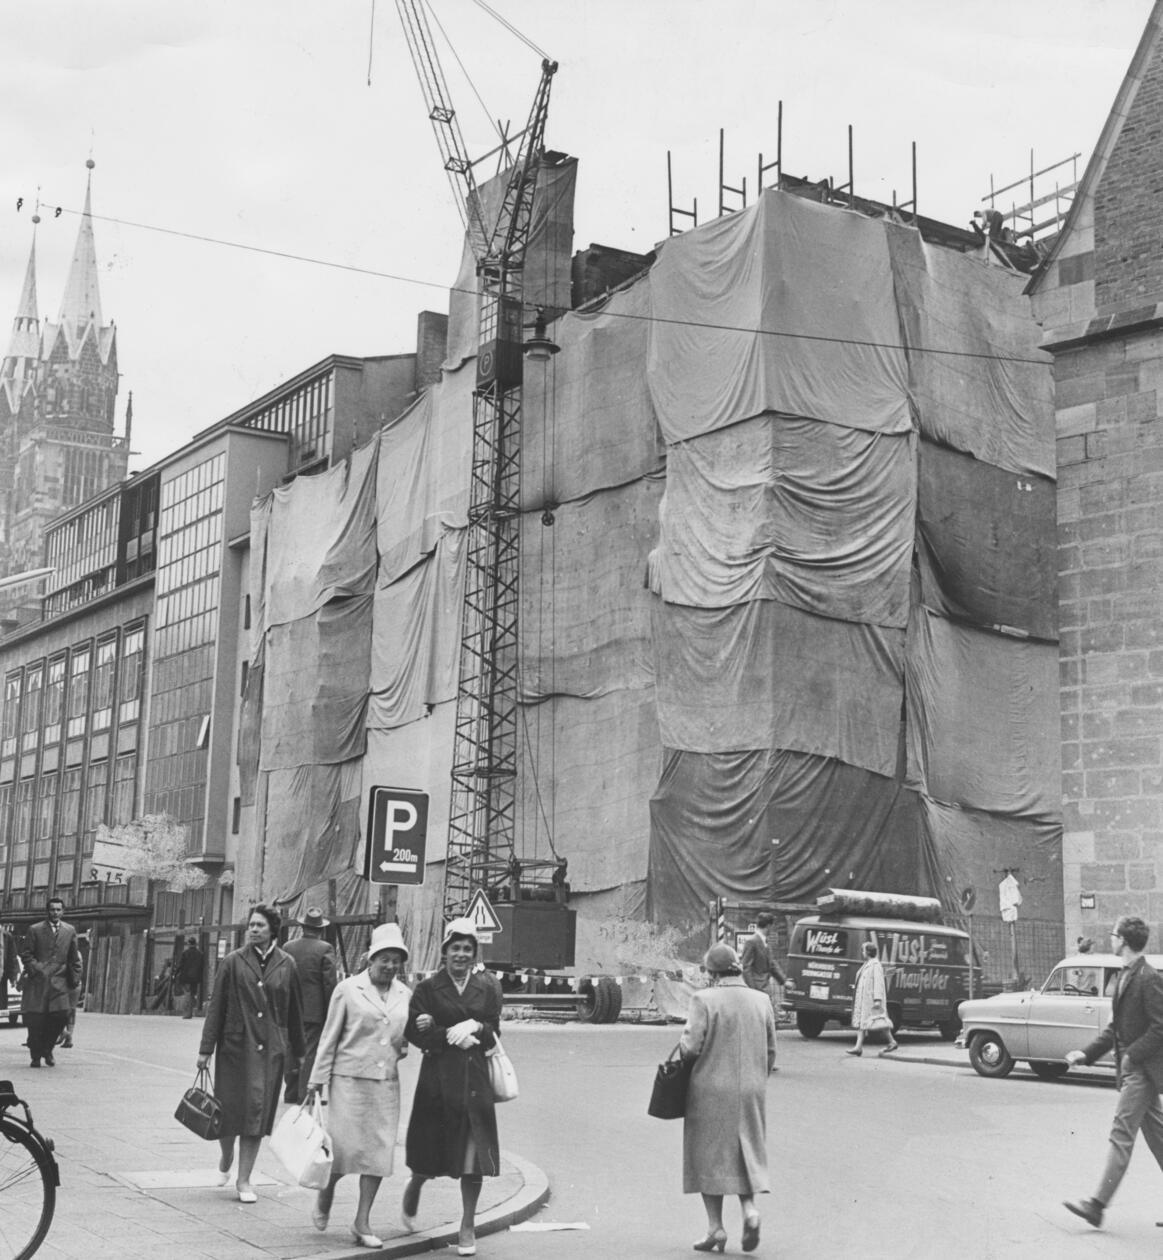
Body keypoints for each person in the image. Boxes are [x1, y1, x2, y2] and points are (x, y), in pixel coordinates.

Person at [304, 922, 411, 1249]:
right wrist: (316, 1080)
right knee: (342, 1150)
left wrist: (402, 1042)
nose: (390, 966)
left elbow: (402, 1038)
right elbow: (329, 1037)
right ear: (370, 958)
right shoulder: (348, 989)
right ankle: (326, 1194)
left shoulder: (405, 994)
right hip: (348, 1082)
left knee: (379, 1155)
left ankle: (362, 1221)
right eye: (384, 959)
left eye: (396, 960)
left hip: (385, 1083)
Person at [402, 917, 503, 1258]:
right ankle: (416, 1184)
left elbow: (493, 1030)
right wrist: (447, 1034)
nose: (461, 954)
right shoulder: (428, 989)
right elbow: (414, 1032)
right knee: (429, 1153)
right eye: (455, 948)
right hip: (438, 1080)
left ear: (475, 953)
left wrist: (476, 1025)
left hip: (474, 1080)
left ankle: (468, 1224)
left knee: (473, 1158)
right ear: (444, 952)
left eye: (467, 949)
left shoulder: (488, 986)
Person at [197, 904, 305, 1204]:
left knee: (257, 1115)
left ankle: (244, 1180)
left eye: (259, 925)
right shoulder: (233, 962)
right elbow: (216, 1006)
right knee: (227, 1113)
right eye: (251, 925)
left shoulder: (287, 964)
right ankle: (226, 1154)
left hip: (270, 1050)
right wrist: (206, 1049)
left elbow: (294, 1011)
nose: (254, 930)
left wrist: (300, 1054)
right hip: (235, 1048)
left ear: (273, 929)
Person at [1063, 915, 1163, 1229]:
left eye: (1113, 934)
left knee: (1121, 1135)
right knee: (1160, 1139)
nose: (1110, 938)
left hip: (1141, 1072)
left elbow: (1161, 1026)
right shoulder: (1125, 975)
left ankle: (1097, 1205)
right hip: (1136, 1070)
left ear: (1124, 940)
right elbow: (1114, 1030)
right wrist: (1086, 1053)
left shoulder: (1148, 977)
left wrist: (1132, 1056)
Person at [680, 942, 776, 1254]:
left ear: (711, 972)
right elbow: (771, 1050)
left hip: (710, 1088)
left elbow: (691, 1047)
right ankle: (749, 1210)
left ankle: (715, 1228)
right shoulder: (761, 1000)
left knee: (708, 1156)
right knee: (745, 1150)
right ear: (736, 966)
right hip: (751, 1088)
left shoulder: (703, 999)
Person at [19, 897, 82, 1069]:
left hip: (60, 983)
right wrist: (37, 969)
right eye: (52, 909)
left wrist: (74, 979)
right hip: (38, 982)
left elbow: (74, 958)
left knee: (61, 1016)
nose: (55, 913)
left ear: (63, 911)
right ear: (47, 911)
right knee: (35, 1020)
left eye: (58, 909)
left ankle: (47, 1050)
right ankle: (35, 1056)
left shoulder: (70, 931)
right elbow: (26, 954)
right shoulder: (35, 929)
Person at [283, 907, 337, 1103]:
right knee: (310, 1051)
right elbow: (329, 982)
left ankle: (290, 1092)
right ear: (320, 929)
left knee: (291, 1048)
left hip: (290, 1008)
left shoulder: (288, 947)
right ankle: (305, 1094)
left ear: (303, 927)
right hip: (314, 1011)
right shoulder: (325, 948)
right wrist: (332, 1008)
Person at [740, 912, 787, 1071]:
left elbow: (772, 964)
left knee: (768, 1025)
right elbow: (745, 967)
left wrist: (784, 981)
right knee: (760, 1025)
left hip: (765, 990)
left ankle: (765, 1059)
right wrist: (752, 990)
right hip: (758, 990)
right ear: (769, 926)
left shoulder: (764, 942)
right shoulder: (752, 942)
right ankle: (756, 1059)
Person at [846, 941, 899, 1057]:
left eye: (863, 950)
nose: (862, 952)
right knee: (863, 1022)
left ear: (868, 952)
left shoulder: (876, 965)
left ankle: (891, 1042)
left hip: (871, 1001)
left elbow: (878, 983)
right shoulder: (867, 964)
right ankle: (858, 1047)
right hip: (864, 1000)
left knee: (879, 1021)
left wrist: (877, 1000)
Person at [176, 936, 205, 1020]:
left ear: (188, 944)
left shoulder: (185, 953)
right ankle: (190, 1012)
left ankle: (187, 1013)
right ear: (195, 944)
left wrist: (176, 973)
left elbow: (181, 965)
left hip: (186, 977)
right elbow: (202, 967)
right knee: (192, 994)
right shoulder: (200, 954)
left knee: (187, 994)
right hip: (195, 978)